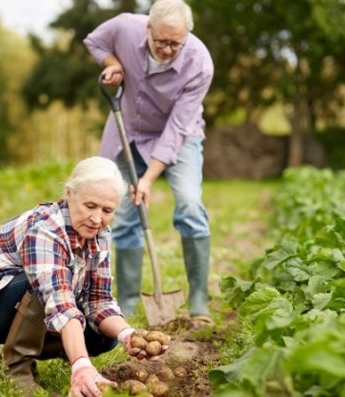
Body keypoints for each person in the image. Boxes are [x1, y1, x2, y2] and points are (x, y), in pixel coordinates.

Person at [0, 157, 165, 397]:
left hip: (23, 304)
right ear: (69, 193)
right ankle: (18, 370)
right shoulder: (45, 229)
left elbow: (99, 300)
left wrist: (128, 335)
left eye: (107, 210)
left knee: (106, 338)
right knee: (45, 282)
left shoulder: (100, 235)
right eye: (90, 206)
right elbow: (60, 302)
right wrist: (82, 366)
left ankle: (65, 352)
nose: (97, 218)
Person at [83, 0, 214, 325]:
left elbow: (177, 128)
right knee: (124, 214)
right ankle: (124, 303)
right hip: (128, 130)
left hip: (179, 137)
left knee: (189, 204)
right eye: (161, 41)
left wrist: (149, 177)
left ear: (187, 36)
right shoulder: (125, 26)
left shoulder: (199, 63)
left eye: (176, 43)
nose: (168, 49)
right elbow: (94, 41)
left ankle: (198, 298)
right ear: (148, 29)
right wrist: (114, 63)